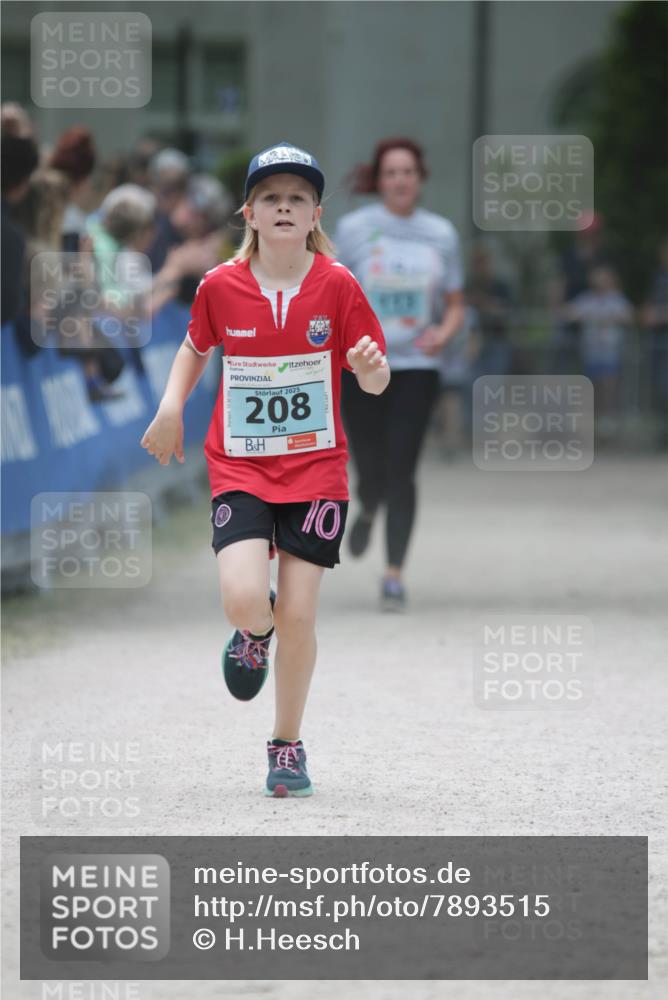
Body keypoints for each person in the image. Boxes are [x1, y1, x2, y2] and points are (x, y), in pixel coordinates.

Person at [140, 142, 389, 798]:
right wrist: (171, 408)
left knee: (302, 614)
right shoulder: (221, 285)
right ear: (249, 213)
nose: (284, 207)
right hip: (242, 466)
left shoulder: (338, 284)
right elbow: (194, 349)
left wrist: (368, 369)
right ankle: (253, 632)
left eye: (297, 198)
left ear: (315, 215)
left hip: (316, 470)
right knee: (245, 598)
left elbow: (377, 374)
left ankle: (285, 745)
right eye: (272, 198)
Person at [335, 137, 464, 611]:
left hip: (417, 367)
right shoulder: (353, 230)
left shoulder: (441, 234)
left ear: (420, 177)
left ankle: (393, 575)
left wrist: (444, 334)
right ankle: (368, 508)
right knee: (370, 468)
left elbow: (453, 302)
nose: (400, 180)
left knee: (403, 469)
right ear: (378, 179)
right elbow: (334, 293)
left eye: (408, 171)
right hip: (363, 365)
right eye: (391, 172)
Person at [562, 265, 633, 443]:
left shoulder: (616, 299)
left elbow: (628, 316)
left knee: (609, 389)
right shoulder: (586, 299)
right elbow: (568, 313)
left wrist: (608, 318)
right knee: (591, 391)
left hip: (610, 353)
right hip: (591, 353)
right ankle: (593, 431)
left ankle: (609, 429)